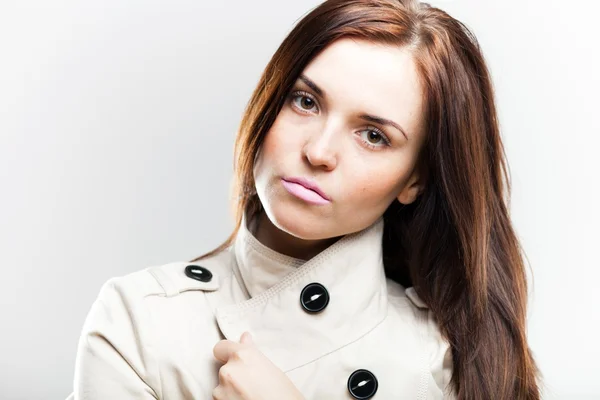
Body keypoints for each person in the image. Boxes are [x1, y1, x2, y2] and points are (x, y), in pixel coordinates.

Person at [67, 0, 543, 398]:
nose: (317, 152)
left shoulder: (448, 355)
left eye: (373, 135)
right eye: (305, 101)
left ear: (413, 181)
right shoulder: (140, 322)